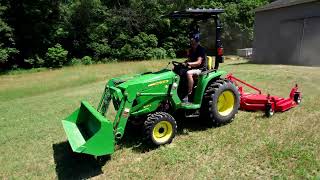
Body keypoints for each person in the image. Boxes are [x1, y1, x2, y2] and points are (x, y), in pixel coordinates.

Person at [183, 33, 206, 103]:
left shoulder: (200, 49)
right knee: (178, 71)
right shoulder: (191, 50)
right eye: (191, 40)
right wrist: (184, 63)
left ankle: (189, 94)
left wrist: (188, 64)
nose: (191, 41)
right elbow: (189, 60)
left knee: (188, 73)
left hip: (201, 69)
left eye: (192, 39)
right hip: (194, 68)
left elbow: (198, 62)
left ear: (196, 40)